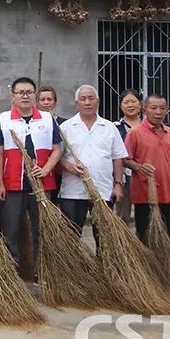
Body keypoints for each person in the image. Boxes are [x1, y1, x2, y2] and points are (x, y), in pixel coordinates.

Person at [124, 93, 170, 290]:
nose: (158, 112)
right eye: (153, 108)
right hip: (146, 195)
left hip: (169, 194)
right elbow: (125, 158)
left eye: (162, 108)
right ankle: (148, 278)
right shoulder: (135, 133)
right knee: (146, 237)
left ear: (167, 109)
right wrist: (138, 167)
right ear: (145, 109)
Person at [0, 77, 62, 266]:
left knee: (42, 228)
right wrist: (0, 182)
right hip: (13, 182)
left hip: (42, 184)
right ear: (12, 96)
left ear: (35, 95)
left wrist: (46, 168)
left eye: (29, 92)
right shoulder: (4, 119)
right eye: (20, 92)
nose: (25, 96)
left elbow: (57, 150)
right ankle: (12, 268)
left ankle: (41, 269)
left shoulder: (48, 119)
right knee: (11, 229)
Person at [57, 85, 127, 239]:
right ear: (77, 104)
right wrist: (68, 166)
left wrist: (118, 184)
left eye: (91, 98)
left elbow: (117, 158)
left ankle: (103, 263)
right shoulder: (66, 127)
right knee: (71, 237)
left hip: (102, 190)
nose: (87, 102)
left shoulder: (109, 127)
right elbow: (56, 156)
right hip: (73, 191)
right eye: (83, 99)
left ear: (98, 102)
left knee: (104, 238)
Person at [114, 88, 143, 222]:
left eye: (133, 101)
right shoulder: (114, 127)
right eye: (126, 102)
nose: (130, 105)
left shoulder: (148, 127)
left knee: (145, 214)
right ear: (120, 105)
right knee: (122, 214)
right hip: (124, 178)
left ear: (141, 104)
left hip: (145, 177)